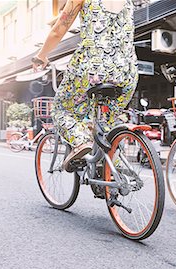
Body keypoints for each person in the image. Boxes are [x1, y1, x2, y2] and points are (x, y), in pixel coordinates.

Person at [31, 0, 138, 172]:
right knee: (108, 123)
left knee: (61, 110)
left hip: (92, 69)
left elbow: (58, 30)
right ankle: (111, 170)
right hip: (127, 72)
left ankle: (81, 141)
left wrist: (41, 55)